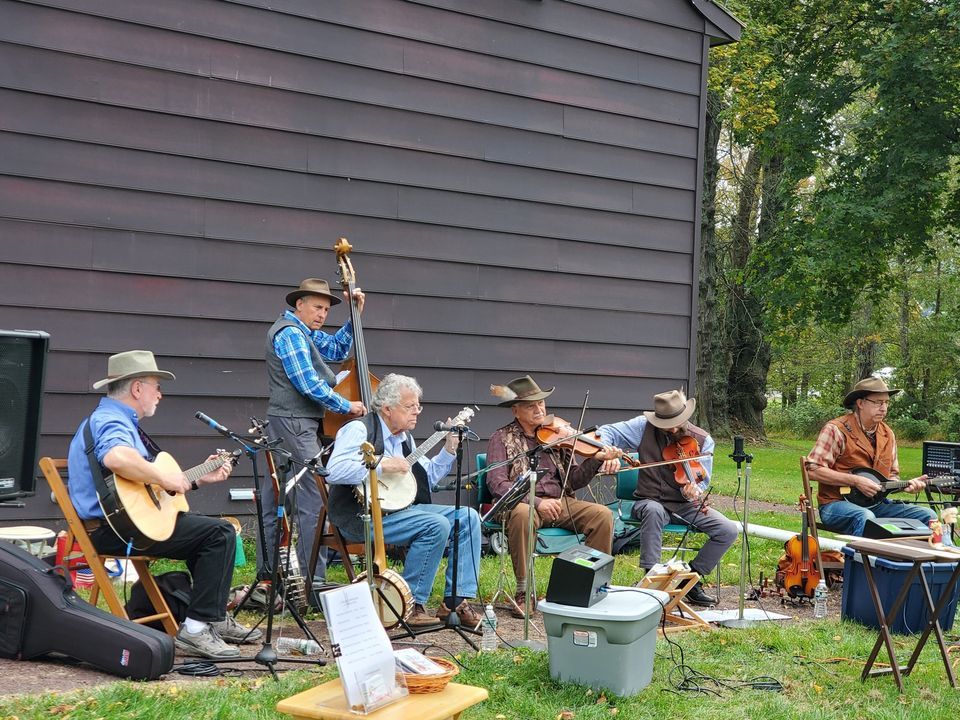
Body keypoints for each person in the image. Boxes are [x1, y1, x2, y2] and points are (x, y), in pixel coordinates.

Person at [66, 350, 262, 660]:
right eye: (156, 386)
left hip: (121, 524)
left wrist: (196, 480)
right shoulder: (110, 419)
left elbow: (145, 490)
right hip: (112, 531)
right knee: (220, 534)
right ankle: (196, 631)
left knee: (207, 532)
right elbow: (116, 458)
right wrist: (164, 475)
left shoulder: (119, 420)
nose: (160, 394)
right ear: (137, 388)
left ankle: (213, 620)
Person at [325, 373, 483, 627]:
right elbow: (333, 470)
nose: (416, 412)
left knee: (467, 516)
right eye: (410, 407)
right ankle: (411, 604)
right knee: (436, 524)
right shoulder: (359, 429)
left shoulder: (404, 439)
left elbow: (427, 478)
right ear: (387, 409)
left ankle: (455, 602)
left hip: (401, 512)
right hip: (363, 516)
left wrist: (449, 448)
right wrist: (381, 464)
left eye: (418, 406)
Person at [260, 278, 367, 593]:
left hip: (289, 421)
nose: (322, 314)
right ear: (299, 304)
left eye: (325, 309)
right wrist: (347, 405)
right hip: (294, 421)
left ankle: (270, 577)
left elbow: (335, 348)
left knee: (275, 499)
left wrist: (354, 315)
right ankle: (313, 581)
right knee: (312, 498)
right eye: (317, 307)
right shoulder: (291, 334)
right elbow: (307, 383)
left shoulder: (303, 332)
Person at [486, 375, 619, 618]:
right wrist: (537, 502)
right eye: (531, 405)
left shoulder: (558, 437)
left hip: (561, 503)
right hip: (523, 504)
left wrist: (594, 460)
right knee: (524, 515)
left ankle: (589, 585)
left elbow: (575, 480)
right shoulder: (501, 437)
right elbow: (497, 483)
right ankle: (524, 591)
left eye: (541, 404)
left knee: (602, 516)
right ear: (516, 411)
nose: (539, 409)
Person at [598, 389, 737, 607]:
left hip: (686, 505)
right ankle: (651, 580)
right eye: (666, 424)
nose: (672, 428)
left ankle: (689, 581)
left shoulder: (703, 440)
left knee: (727, 530)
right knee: (653, 510)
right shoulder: (642, 427)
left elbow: (701, 480)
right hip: (649, 500)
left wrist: (694, 489)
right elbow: (606, 431)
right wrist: (607, 451)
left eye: (677, 422)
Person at [805, 376, 936, 537]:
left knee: (928, 516)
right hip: (835, 504)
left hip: (877, 505)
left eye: (887, 402)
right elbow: (812, 470)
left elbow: (891, 478)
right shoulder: (835, 430)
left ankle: (918, 561)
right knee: (866, 518)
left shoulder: (888, 434)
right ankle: (861, 562)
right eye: (878, 402)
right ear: (860, 403)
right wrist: (855, 481)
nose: (884, 408)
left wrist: (906, 486)